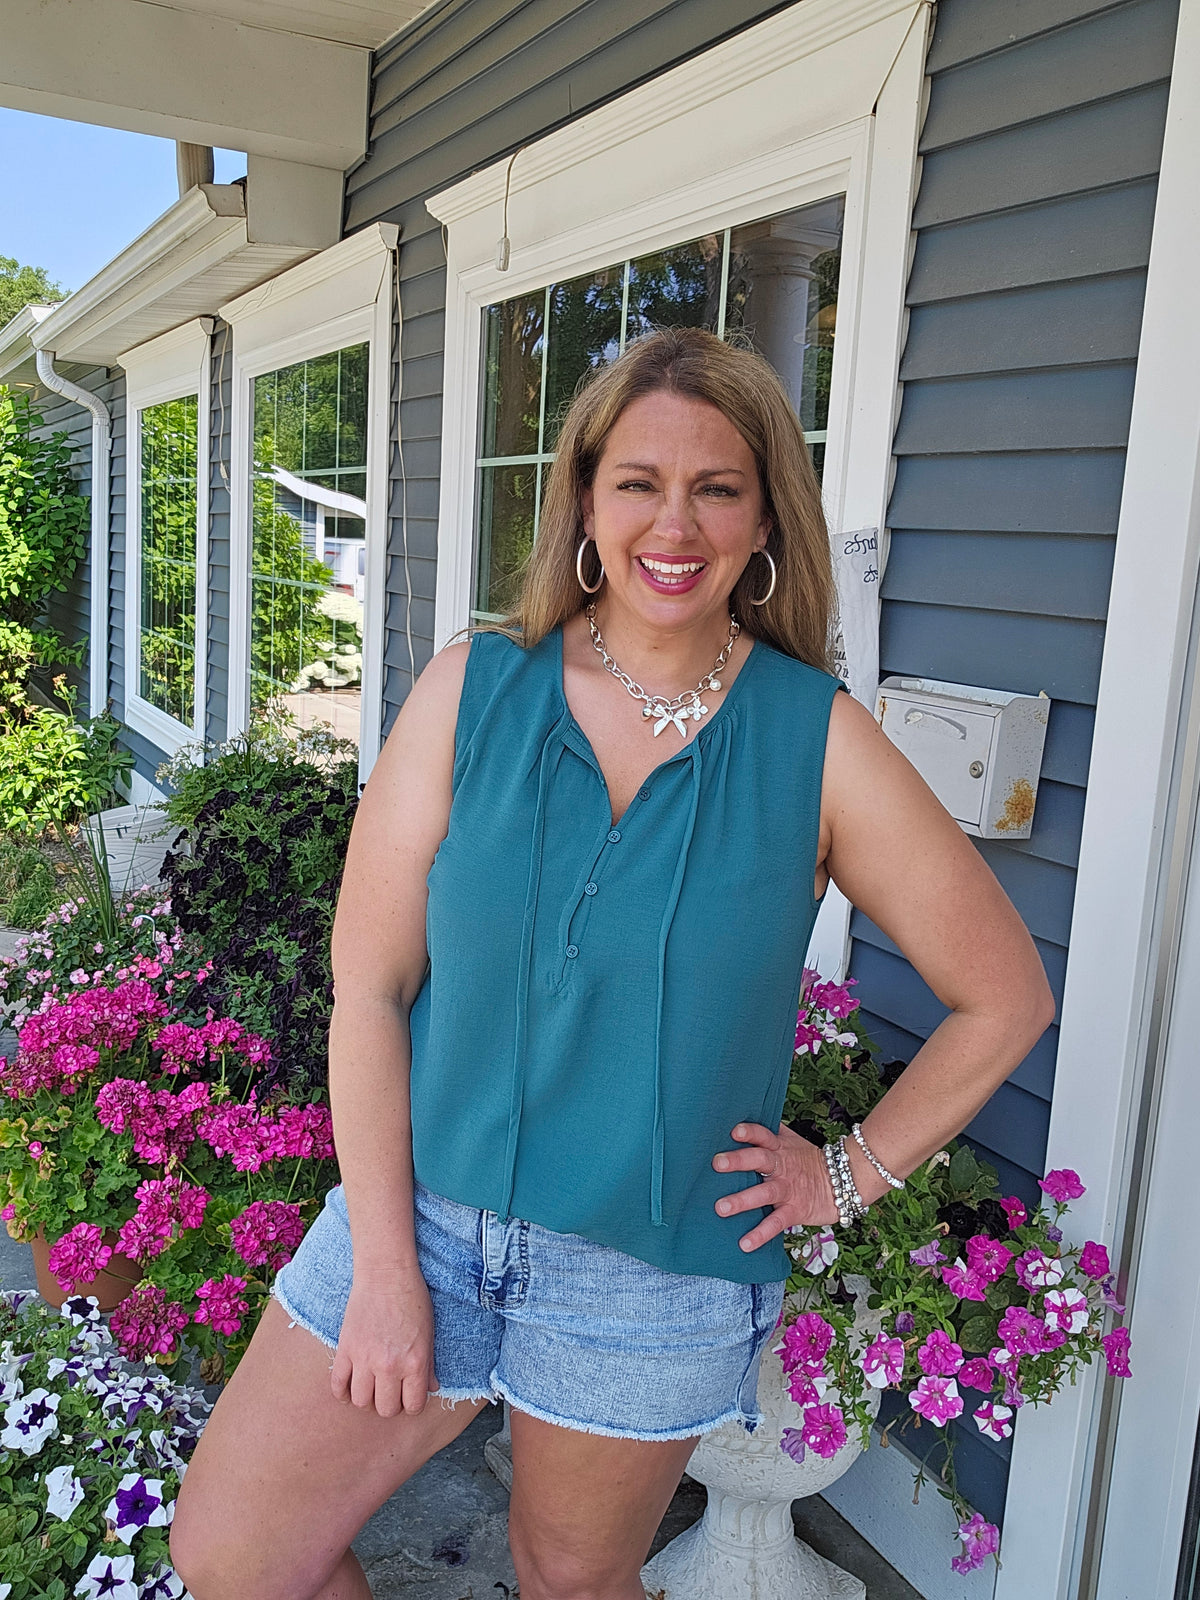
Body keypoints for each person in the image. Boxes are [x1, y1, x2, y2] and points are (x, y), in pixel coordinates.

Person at [171, 328, 1054, 1600]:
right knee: (236, 1555)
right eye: (638, 481)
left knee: (570, 1581)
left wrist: (844, 1177)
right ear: (585, 501)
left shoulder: (815, 741)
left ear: (765, 521)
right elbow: (369, 986)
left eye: (717, 488)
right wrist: (385, 1266)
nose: (673, 524)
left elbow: (1004, 996)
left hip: (650, 1276)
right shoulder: (475, 688)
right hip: (422, 1211)